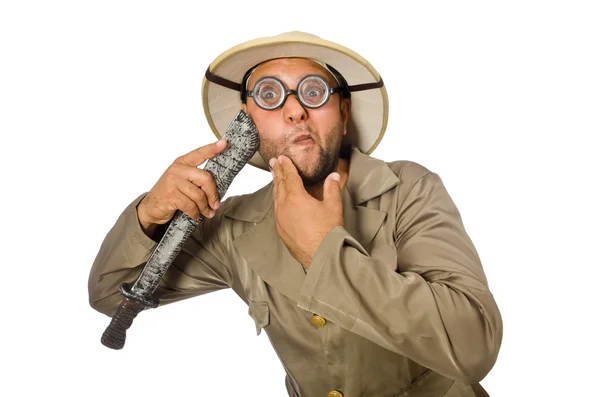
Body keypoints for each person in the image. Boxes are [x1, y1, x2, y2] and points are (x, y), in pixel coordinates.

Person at [88, 31, 502, 397]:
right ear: (248, 122)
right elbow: (110, 294)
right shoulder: (234, 226)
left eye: (314, 92)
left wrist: (324, 253)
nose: (295, 111)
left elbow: (474, 348)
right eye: (269, 95)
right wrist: (149, 214)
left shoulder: (408, 189)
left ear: (342, 112)